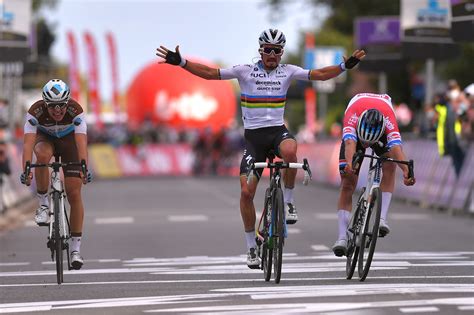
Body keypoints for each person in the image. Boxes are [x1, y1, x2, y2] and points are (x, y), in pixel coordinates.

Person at [156, 29, 366, 268]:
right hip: (254, 140)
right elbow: (209, 74)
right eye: (268, 50)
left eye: (277, 51)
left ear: (282, 53)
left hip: (277, 132)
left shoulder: (288, 71)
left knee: (290, 151)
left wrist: (344, 66)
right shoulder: (244, 71)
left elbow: (318, 74)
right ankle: (251, 247)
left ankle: (287, 201)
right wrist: (182, 63)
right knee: (246, 193)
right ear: (261, 50)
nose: (272, 55)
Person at [332, 93, 416, 257]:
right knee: (348, 183)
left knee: (390, 164)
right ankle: (342, 237)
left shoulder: (389, 122)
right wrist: (349, 165)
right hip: (357, 126)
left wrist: (406, 172)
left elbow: (397, 149)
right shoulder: (352, 117)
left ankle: (382, 219)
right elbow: (350, 143)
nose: (367, 145)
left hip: (381, 127)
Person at [20, 79, 92, 269]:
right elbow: (28, 145)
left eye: (62, 105)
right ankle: (43, 204)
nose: (58, 110)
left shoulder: (76, 111)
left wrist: (84, 167)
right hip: (46, 140)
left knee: (74, 193)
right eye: (52, 106)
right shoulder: (35, 112)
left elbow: (81, 143)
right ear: (45, 103)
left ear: (67, 102)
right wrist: (26, 170)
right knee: (42, 155)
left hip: (70, 143)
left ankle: (76, 250)